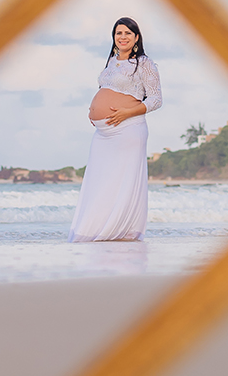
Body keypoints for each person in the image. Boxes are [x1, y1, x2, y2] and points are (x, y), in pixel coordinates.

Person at [67, 17, 162, 242]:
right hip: (103, 134)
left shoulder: (144, 63)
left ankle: (119, 231)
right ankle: (94, 229)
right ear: (114, 37)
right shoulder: (110, 62)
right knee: (99, 181)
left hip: (128, 129)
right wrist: (94, 112)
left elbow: (156, 99)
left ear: (136, 37)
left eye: (128, 33)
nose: (123, 37)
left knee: (121, 181)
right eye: (118, 33)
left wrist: (126, 113)